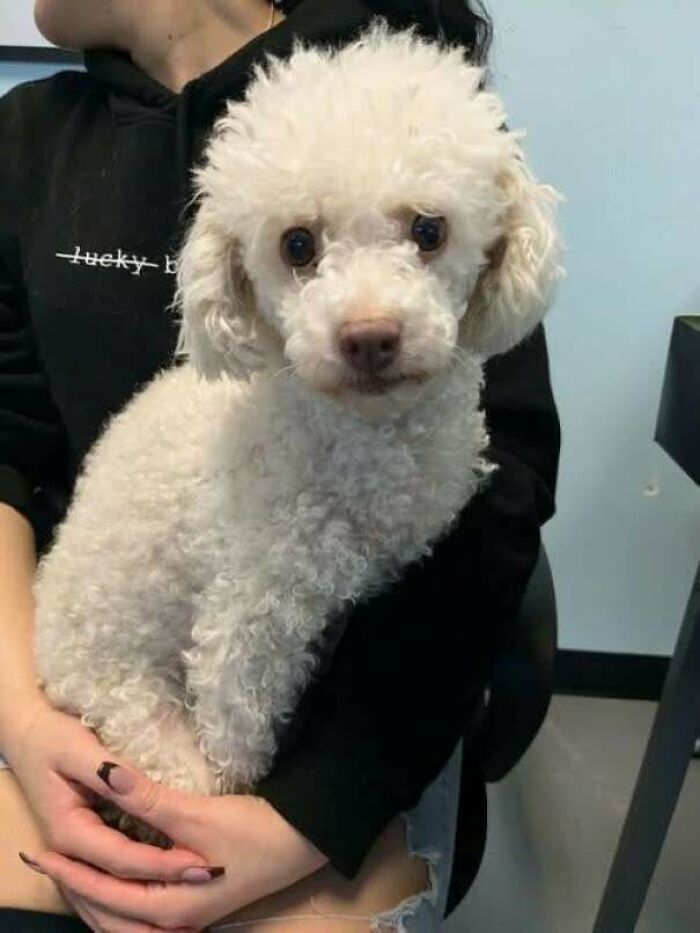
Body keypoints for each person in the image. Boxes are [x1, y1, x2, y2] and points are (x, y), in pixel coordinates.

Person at [0, 0, 561, 929]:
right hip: (65, 670)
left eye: (424, 234)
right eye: (301, 250)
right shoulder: (26, 139)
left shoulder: (415, 109)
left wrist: (299, 820)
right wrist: (24, 722)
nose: (368, 315)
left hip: (378, 703)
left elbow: (503, 499)